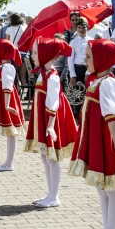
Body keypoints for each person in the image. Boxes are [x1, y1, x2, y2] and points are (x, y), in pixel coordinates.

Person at [68, 39, 115, 229]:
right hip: (96, 138)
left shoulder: (108, 83)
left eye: (89, 56)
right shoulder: (94, 80)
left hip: (107, 139)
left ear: (102, 59)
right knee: (102, 187)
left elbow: (112, 116)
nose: (85, 59)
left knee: (112, 189)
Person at [24, 37, 76, 208]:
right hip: (42, 118)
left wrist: (50, 125)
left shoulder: (52, 76)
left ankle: (54, 196)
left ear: (46, 54)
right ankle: (49, 193)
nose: (32, 55)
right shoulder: (43, 73)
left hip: (49, 119)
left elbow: (53, 102)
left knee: (51, 158)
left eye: (36, 52)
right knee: (45, 157)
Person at [0, 39, 26, 171]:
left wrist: (7, 104)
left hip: (7, 100)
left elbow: (7, 87)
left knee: (11, 131)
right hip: (3, 100)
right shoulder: (1, 65)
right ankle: (8, 162)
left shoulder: (7, 67)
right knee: (10, 133)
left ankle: (9, 163)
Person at [68, 17, 93, 119]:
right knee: (77, 93)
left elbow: (92, 57)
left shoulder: (92, 41)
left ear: (87, 27)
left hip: (89, 68)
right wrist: (72, 75)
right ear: (76, 28)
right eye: (79, 27)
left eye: (84, 27)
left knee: (89, 92)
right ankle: (78, 114)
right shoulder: (73, 42)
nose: (82, 30)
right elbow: (70, 59)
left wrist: (88, 72)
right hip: (77, 69)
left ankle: (88, 114)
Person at [6, 13, 27, 85]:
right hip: (25, 54)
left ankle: (16, 93)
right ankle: (24, 94)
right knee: (23, 75)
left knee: (14, 75)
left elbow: (7, 43)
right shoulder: (25, 28)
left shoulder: (9, 29)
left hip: (14, 54)